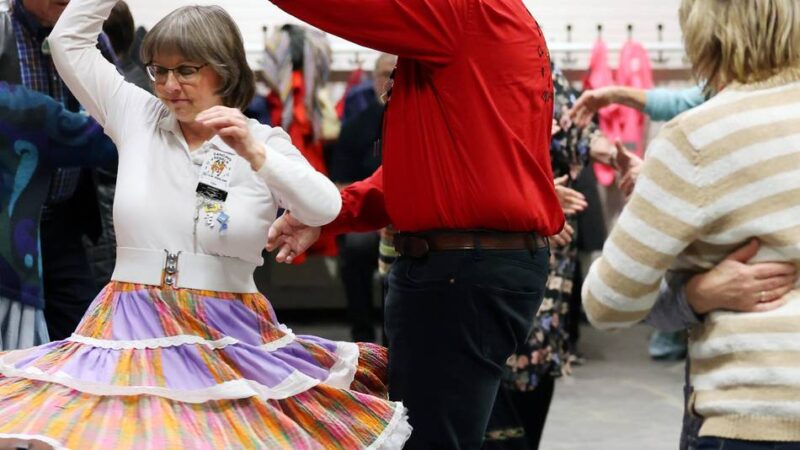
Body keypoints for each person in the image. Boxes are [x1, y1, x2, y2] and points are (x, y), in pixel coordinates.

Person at [0, 1, 412, 448]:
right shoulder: (136, 116)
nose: (169, 85)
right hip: (130, 322)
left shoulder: (265, 143)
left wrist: (256, 153)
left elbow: (323, 208)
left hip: (230, 327)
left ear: (224, 70)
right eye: (158, 71)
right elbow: (68, 42)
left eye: (186, 70)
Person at [265, 1, 564, 448]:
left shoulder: (462, 12)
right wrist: (331, 214)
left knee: (429, 438)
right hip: (464, 265)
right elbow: (423, 170)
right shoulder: (478, 20)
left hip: (458, 271)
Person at [583, 0, 800, 447]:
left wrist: (693, 294)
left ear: (704, 33)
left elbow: (607, 303)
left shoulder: (695, 139)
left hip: (752, 412)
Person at [1, 0, 119, 342]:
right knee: (16, 347)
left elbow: (120, 115)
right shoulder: (4, 36)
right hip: (8, 229)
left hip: (67, 224)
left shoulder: (93, 41)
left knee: (82, 342)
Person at [329, 53, 396, 343]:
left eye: (398, 73)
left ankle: (394, 338)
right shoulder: (357, 126)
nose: (392, 81)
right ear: (373, 80)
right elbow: (340, 187)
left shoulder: (424, 120)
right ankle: (362, 336)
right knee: (356, 247)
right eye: (385, 74)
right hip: (367, 217)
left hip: (410, 219)